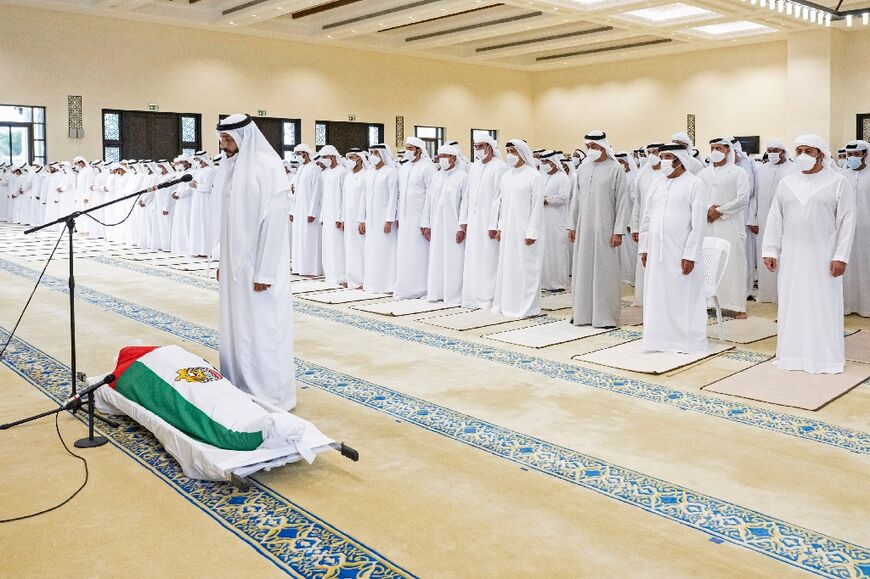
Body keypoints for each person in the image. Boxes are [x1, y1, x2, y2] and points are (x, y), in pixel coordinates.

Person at [214, 114, 294, 409]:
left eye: (227, 139)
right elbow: (227, 220)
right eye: (221, 139)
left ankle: (269, 393)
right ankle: (238, 384)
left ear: (244, 137)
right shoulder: (232, 168)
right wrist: (223, 260)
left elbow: (273, 225)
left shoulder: (268, 168)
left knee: (262, 328)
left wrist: (265, 272)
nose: (223, 145)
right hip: (235, 266)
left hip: (261, 267)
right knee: (237, 326)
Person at [762, 134, 855, 374]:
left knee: (822, 304)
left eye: (809, 151)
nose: (803, 155)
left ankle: (825, 359)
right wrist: (770, 249)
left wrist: (840, 256)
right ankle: (791, 356)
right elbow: (775, 217)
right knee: (792, 303)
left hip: (824, 256)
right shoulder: (787, 183)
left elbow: (847, 221)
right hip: (792, 256)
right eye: (799, 150)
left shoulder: (837, 182)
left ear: (821, 154)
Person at [638, 145, 707, 353]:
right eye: (662, 157)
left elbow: (698, 224)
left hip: (680, 252)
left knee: (682, 297)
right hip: (656, 252)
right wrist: (644, 248)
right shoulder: (657, 183)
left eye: (669, 157)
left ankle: (686, 342)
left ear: (679, 159)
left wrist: (690, 255)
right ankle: (658, 340)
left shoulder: (694, 184)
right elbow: (647, 218)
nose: (664, 161)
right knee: (657, 295)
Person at [568, 131, 629, 328]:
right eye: (588, 147)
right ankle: (582, 314)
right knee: (583, 270)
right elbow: (576, 200)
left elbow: (622, 202)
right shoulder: (584, 169)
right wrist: (572, 225)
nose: (590, 150)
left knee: (605, 272)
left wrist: (618, 231)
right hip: (584, 230)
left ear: (603, 146)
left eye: (594, 147)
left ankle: (606, 317)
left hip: (606, 231)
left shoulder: (615, 169)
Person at [491, 139, 545, 318]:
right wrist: (499, 227)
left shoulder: (534, 176)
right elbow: (502, 205)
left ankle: (528, 308)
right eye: (508, 151)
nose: (510, 155)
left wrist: (532, 232)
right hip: (508, 230)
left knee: (527, 268)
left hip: (525, 231)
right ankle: (508, 304)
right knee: (508, 267)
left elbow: (537, 206)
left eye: (514, 151)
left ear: (522, 153)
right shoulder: (506, 176)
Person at [697, 137, 750, 318]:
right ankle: (709, 303)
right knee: (709, 263)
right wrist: (706, 211)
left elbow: (743, 198)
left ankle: (737, 306)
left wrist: (719, 211)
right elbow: (696, 197)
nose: (714, 151)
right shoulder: (702, 174)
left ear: (728, 150)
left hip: (730, 225)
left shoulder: (738, 172)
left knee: (733, 264)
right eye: (712, 148)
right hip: (707, 225)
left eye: (718, 148)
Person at [460, 134, 506, 309]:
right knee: (474, 258)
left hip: (489, 223)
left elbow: (499, 198)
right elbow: (468, 196)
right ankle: (473, 296)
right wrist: (463, 222)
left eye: (480, 146)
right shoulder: (474, 167)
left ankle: (488, 297)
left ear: (489, 147)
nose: (477, 149)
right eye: (475, 146)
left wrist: (494, 224)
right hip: (473, 221)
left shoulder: (500, 167)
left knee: (489, 258)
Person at [422, 144, 467, 306]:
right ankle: (437, 292)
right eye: (440, 156)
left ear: (454, 158)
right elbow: (429, 201)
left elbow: (465, 204)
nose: (442, 159)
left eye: (446, 156)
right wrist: (426, 223)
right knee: (437, 259)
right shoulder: (437, 176)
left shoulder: (462, 177)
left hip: (453, 227)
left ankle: (453, 295)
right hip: (436, 225)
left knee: (454, 260)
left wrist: (461, 227)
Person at [754, 140, 798, 302]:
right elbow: (754, 195)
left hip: (786, 219)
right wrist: (753, 218)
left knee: (784, 254)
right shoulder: (760, 170)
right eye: (769, 150)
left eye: (775, 150)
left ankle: (784, 294)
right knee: (766, 253)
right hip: (763, 219)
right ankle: (767, 293)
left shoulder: (793, 169)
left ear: (783, 151)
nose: (772, 153)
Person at [395, 137, 436, 299]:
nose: (408, 151)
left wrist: (426, 221)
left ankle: (421, 287)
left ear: (419, 150)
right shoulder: (404, 168)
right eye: (407, 148)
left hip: (420, 217)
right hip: (405, 218)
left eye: (411, 148)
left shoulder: (427, 168)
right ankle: (406, 287)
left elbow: (431, 196)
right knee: (405, 252)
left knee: (419, 252)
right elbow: (400, 195)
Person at [358, 144, 399, 294]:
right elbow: (363, 197)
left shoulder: (390, 173)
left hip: (384, 221)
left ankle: (388, 284)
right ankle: (372, 283)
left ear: (383, 154)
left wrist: (389, 220)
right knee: (371, 251)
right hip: (371, 221)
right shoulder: (369, 173)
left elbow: (393, 197)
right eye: (371, 152)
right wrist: (361, 219)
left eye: (376, 152)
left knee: (385, 252)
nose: (373, 155)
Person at [629, 143, 665, 305]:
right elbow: (637, 202)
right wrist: (635, 226)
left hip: (664, 227)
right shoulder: (642, 173)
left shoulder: (668, 173)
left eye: (655, 152)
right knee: (644, 261)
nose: (651, 155)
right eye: (649, 152)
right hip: (645, 226)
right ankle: (644, 299)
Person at [842, 139, 869, 317]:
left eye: (856, 155)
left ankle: (866, 306)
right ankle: (847, 305)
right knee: (848, 267)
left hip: (868, 230)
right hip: (846, 229)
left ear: (865, 155)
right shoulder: (843, 177)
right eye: (850, 155)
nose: (852, 158)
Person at [539, 150, 571, 291]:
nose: (545, 165)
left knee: (557, 251)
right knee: (545, 250)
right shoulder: (542, 177)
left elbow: (564, 197)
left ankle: (558, 283)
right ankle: (545, 282)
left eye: (547, 162)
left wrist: (547, 200)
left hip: (557, 219)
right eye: (543, 162)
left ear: (554, 162)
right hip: (543, 220)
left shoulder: (562, 178)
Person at [290, 143, 324, 277]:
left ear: (305, 154)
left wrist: (312, 212)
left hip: (309, 212)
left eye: (298, 154)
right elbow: (296, 193)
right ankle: (300, 267)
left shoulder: (314, 169)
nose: (297, 157)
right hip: (298, 210)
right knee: (299, 238)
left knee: (309, 239)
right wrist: (292, 211)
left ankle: (311, 269)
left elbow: (317, 193)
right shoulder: (301, 169)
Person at [317, 145, 348, 286]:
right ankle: (329, 274)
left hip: (337, 215)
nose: (323, 160)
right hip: (327, 214)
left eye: (325, 157)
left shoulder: (342, 172)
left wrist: (341, 217)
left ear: (333, 157)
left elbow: (344, 196)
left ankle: (340, 275)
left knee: (338, 246)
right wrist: (322, 216)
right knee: (327, 244)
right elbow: (324, 197)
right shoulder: (325, 173)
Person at [343, 149, 369, 289]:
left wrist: (362, 220)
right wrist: (341, 218)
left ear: (359, 159)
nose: (349, 160)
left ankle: (362, 279)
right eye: (348, 157)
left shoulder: (365, 175)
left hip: (359, 219)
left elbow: (364, 200)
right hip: (348, 218)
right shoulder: (348, 176)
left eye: (352, 157)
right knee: (349, 248)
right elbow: (344, 199)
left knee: (360, 249)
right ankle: (351, 278)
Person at [189, 151, 217, 257]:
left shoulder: (211, 171)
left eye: (198, 160)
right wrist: (192, 184)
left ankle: (206, 250)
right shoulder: (198, 171)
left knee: (205, 223)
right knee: (197, 224)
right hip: (196, 200)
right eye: (196, 160)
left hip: (205, 201)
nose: (197, 162)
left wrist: (196, 186)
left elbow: (207, 187)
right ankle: (197, 249)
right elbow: (192, 184)